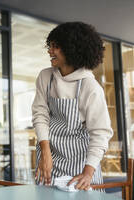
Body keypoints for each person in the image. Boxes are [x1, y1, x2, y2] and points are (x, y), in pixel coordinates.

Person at [32, 22, 113, 191]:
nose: (50, 51)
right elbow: (40, 114)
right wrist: (45, 152)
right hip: (50, 161)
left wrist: (88, 173)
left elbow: (100, 133)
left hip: (81, 165)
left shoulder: (90, 87)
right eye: (50, 46)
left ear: (72, 49)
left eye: (55, 47)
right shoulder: (46, 77)